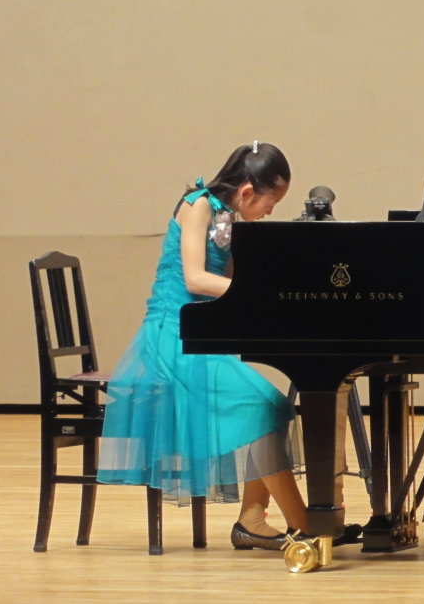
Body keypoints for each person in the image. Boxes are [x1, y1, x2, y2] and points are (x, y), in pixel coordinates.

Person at [99, 141, 306, 551]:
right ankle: (304, 524)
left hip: (197, 334)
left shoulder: (228, 215)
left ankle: (252, 520)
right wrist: (261, 296)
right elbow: (195, 279)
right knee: (260, 406)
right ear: (247, 191)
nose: (270, 212)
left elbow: (231, 279)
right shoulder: (197, 206)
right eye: (271, 203)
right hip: (170, 336)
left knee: (273, 406)